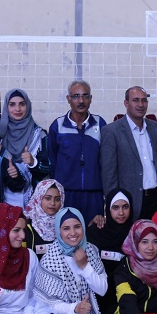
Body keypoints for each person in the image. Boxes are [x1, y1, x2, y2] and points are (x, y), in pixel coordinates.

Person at [101, 86, 157, 220]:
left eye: (144, 100)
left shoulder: (155, 128)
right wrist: (115, 204)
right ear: (126, 104)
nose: (141, 105)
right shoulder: (111, 131)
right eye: (136, 100)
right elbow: (108, 174)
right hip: (129, 202)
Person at [48, 81, 107, 222]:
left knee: (93, 236)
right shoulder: (58, 125)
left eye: (85, 96)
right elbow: (52, 160)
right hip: (66, 193)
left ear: (91, 99)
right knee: (69, 235)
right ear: (68, 99)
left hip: (94, 194)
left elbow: (105, 160)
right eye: (76, 96)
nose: (81, 100)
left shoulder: (100, 123)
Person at [85, 189, 133, 314]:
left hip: (126, 292)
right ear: (108, 210)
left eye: (125, 207)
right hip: (100, 293)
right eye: (116, 207)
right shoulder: (95, 232)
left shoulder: (136, 233)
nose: (121, 212)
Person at [0, 89, 51, 208]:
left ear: (28, 105)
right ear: (6, 106)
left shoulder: (39, 135)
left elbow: (47, 170)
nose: (17, 109)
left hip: (32, 204)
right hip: (1, 201)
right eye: (12, 104)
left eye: (22, 104)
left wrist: (33, 162)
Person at [24, 179, 66, 257]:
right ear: (38, 198)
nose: (52, 203)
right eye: (48, 198)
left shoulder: (66, 224)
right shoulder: (26, 225)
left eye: (57, 199)